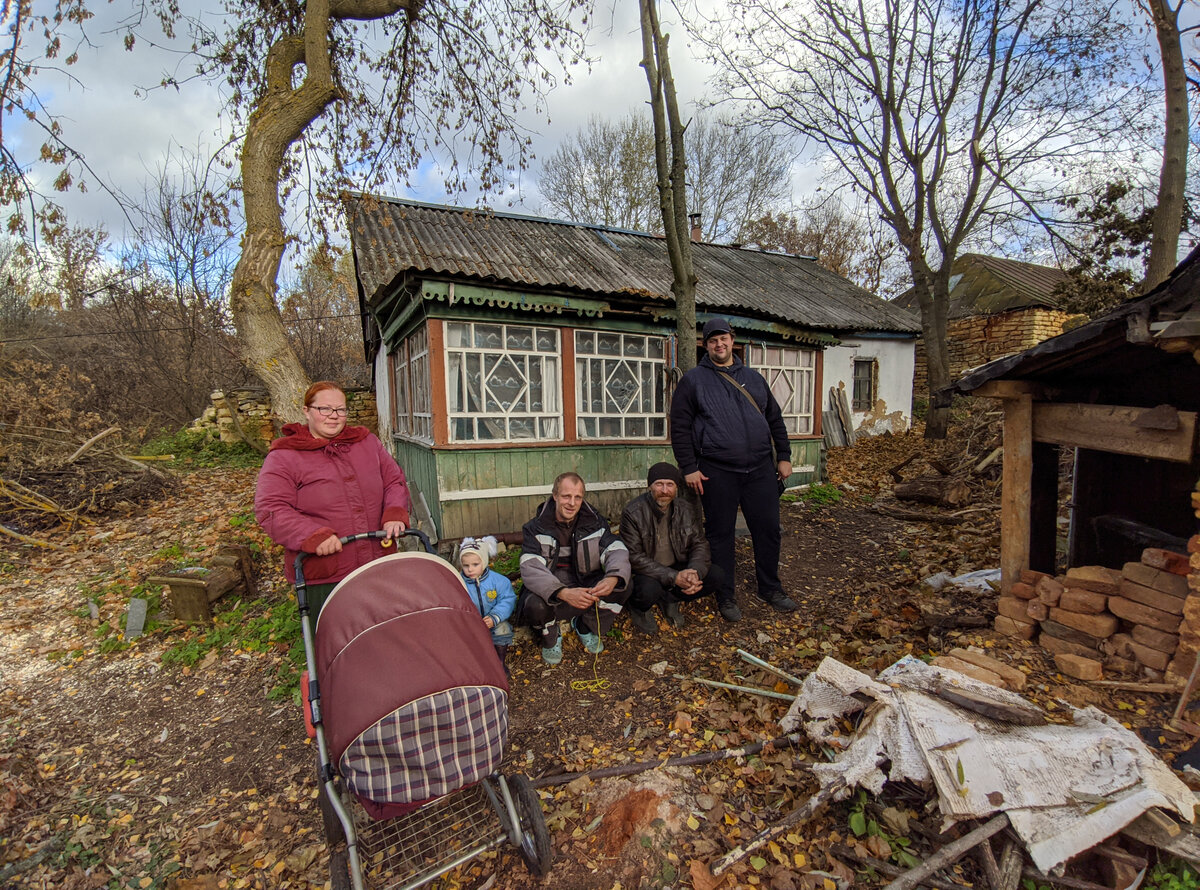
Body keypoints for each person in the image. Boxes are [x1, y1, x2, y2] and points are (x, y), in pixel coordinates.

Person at [669, 318, 796, 622]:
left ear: (732, 340)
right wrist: (688, 467)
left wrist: (784, 455)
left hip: (760, 469)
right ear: (706, 344)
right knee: (720, 535)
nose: (719, 345)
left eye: (723, 339)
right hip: (717, 470)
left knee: (767, 530)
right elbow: (680, 426)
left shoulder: (753, 379)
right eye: (713, 340)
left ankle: (770, 588)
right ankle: (726, 595)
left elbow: (775, 419)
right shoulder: (693, 380)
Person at [255, 381, 411, 618]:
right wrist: (312, 535)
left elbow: (393, 481)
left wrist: (394, 513)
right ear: (307, 411)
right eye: (324, 409)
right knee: (337, 639)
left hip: (377, 561)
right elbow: (271, 509)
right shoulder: (285, 456)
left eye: (340, 410)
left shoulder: (366, 443)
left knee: (385, 631)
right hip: (327, 573)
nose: (334, 416)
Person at [516, 472, 632, 665]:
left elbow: (616, 549)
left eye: (577, 497)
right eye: (566, 496)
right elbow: (531, 568)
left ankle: (585, 625)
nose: (572, 503)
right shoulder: (535, 528)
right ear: (555, 496)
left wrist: (612, 578)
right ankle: (551, 636)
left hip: (586, 585)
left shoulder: (595, 522)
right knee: (533, 604)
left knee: (623, 584)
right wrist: (562, 592)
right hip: (553, 592)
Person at [620, 462, 725, 634]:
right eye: (659, 484)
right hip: (648, 571)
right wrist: (674, 577)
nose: (664, 490)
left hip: (677, 565)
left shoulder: (685, 509)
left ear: (676, 488)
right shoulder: (633, 512)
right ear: (650, 486)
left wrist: (694, 571)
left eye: (670, 484)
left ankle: (670, 599)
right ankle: (639, 609)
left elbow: (699, 543)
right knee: (647, 590)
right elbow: (633, 556)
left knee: (715, 575)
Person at [458, 535, 517, 672]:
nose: (470, 569)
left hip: (493, 621)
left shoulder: (499, 581)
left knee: (503, 629)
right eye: (466, 566)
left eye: (475, 565)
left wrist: (495, 617)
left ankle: (499, 663)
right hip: (470, 623)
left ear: (484, 562)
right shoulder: (459, 583)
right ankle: (473, 665)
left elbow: (507, 599)